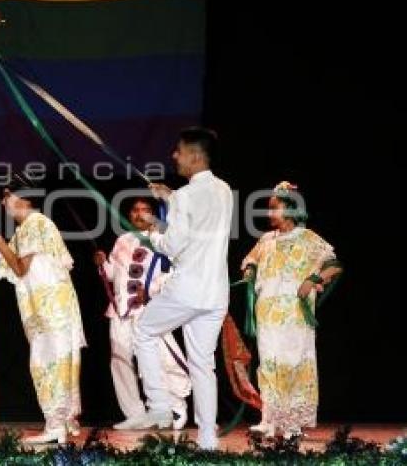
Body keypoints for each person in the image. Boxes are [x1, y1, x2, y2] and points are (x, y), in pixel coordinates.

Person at [130, 127, 233, 451]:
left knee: (143, 331)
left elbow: (172, 246)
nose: (174, 156)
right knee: (203, 364)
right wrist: (170, 198)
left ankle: (159, 405)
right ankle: (206, 439)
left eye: (178, 151)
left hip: (187, 289)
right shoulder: (224, 190)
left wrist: (154, 231)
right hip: (215, 293)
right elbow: (196, 221)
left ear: (194, 155)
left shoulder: (186, 196)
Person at [242, 181, 341, 439]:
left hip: (295, 314)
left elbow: (334, 265)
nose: (269, 213)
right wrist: (250, 270)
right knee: (269, 363)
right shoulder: (266, 240)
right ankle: (270, 419)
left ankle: (293, 422)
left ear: (291, 208)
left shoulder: (308, 239)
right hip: (267, 313)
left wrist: (313, 281)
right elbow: (251, 260)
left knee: (294, 362)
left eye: (274, 207)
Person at [0, 184, 86, 444]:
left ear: (23, 199)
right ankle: (62, 422)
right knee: (52, 361)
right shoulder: (26, 229)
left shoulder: (36, 223)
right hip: (46, 307)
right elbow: (11, 266)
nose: (4, 202)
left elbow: (19, 268)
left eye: (8, 197)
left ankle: (56, 425)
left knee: (48, 363)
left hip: (51, 307)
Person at [93, 197, 191, 431]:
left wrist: (151, 291)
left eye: (145, 210)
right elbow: (114, 276)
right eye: (135, 210)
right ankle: (135, 413)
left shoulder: (163, 240)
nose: (139, 214)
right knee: (121, 360)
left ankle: (175, 406)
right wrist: (103, 264)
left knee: (160, 357)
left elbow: (175, 272)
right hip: (120, 310)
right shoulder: (122, 240)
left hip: (149, 309)